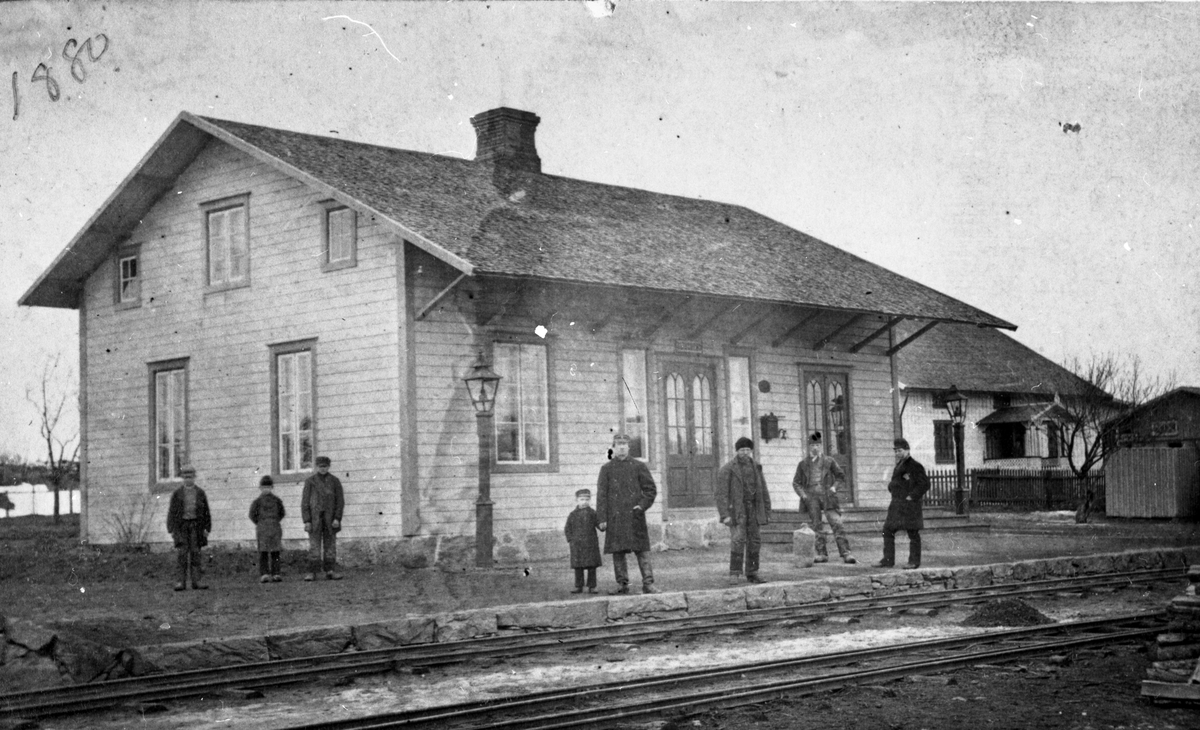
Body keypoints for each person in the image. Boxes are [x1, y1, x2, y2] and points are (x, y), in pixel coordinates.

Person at [596, 433, 659, 594]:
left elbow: (650, 490)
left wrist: (641, 506)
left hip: (634, 515)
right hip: (616, 517)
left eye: (625, 444)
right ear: (613, 447)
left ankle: (648, 583)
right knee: (618, 552)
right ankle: (622, 584)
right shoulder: (607, 469)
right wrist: (602, 518)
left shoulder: (639, 466)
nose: (622, 447)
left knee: (642, 551)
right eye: (619, 444)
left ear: (629, 447)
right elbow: (601, 496)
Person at [791, 432, 857, 564]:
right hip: (811, 498)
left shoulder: (829, 461)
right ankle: (822, 554)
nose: (815, 447)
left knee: (837, 523)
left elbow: (840, 476)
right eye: (812, 445)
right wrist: (803, 495)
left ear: (821, 446)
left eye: (817, 445)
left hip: (828, 497)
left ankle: (846, 553)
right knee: (816, 526)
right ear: (809, 447)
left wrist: (834, 487)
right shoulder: (803, 464)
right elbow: (796, 483)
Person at [715, 436, 772, 584]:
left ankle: (752, 573)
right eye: (742, 450)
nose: (745, 453)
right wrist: (725, 515)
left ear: (751, 451)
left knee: (755, 540)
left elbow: (764, 490)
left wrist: (766, 511)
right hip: (737, 510)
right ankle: (734, 573)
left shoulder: (756, 467)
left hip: (754, 509)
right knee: (738, 540)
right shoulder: (728, 469)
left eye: (747, 450)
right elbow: (721, 494)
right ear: (737, 451)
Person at [877, 437, 929, 569]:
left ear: (907, 450)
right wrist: (891, 487)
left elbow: (924, 484)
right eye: (895, 451)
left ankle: (914, 562)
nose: (897, 453)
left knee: (913, 533)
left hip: (910, 506)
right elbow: (897, 481)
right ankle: (888, 560)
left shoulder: (915, 466)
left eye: (899, 451)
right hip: (896, 504)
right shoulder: (899, 465)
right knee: (887, 530)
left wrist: (912, 496)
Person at [166, 464, 211, 591]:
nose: (188, 479)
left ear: (194, 477)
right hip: (182, 527)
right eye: (186, 477)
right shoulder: (177, 494)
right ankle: (181, 582)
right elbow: (172, 511)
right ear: (183, 478)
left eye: (190, 477)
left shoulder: (200, 493)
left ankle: (197, 581)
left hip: (196, 526)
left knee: (196, 553)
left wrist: (207, 528)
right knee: (182, 554)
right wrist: (171, 528)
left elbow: (206, 512)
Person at [302, 455, 345, 581]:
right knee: (314, 546)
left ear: (329, 467)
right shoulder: (310, 482)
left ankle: (330, 571)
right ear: (316, 467)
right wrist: (307, 520)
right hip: (314, 519)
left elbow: (340, 501)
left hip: (330, 520)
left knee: (330, 546)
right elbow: (305, 502)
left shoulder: (335, 481)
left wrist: (337, 518)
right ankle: (312, 572)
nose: (323, 469)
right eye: (320, 466)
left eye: (325, 466)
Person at [564, 488, 602, 594]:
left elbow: (599, 525)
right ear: (577, 500)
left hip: (590, 544)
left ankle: (592, 586)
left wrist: (602, 525)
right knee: (578, 566)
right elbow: (567, 528)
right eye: (582, 499)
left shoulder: (593, 513)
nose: (584, 502)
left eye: (587, 499)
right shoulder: (573, 514)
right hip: (577, 545)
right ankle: (578, 586)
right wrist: (571, 540)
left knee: (592, 566)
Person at [249, 475, 286, 583]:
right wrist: (261, 523)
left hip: (275, 528)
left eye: (268, 487)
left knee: (275, 551)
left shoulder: (277, 501)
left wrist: (274, 521)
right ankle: (264, 574)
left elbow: (282, 513)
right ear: (260, 488)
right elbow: (252, 515)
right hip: (262, 528)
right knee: (263, 552)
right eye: (264, 487)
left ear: (272, 487)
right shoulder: (257, 502)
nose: (266, 489)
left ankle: (276, 573)